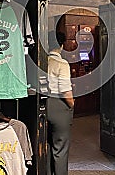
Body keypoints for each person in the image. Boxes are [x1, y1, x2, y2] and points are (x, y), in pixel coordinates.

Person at [47, 30, 74, 175]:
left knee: (45, 145)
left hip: (44, 104)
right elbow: (65, 91)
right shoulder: (61, 63)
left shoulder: (42, 61)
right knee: (60, 148)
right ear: (61, 45)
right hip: (59, 106)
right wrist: (71, 104)